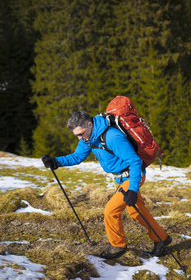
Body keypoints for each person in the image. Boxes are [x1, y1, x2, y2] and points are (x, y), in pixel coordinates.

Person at [42, 111, 172, 259]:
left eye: (81, 133)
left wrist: (133, 190)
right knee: (136, 211)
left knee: (110, 211)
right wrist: (56, 162)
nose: (80, 138)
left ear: (89, 124)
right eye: (76, 135)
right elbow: (77, 156)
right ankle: (161, 238)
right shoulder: (88, 138)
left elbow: (135, 162)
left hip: (132, 176)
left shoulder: (112, 137)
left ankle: (118, 246)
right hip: (121, 179)